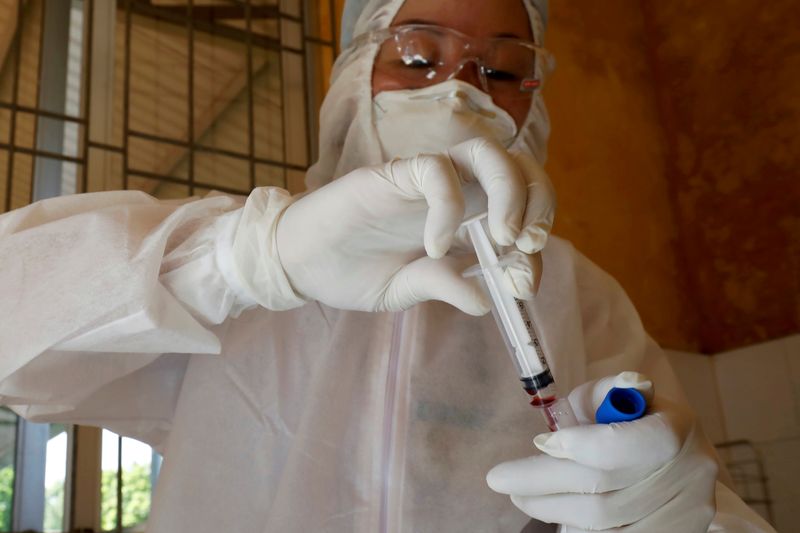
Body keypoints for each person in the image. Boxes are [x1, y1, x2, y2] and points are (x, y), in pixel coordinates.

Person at [0, 0, 776, 531]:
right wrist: (252, 259)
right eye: (416, 53)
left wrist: (674, 510)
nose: (459, 89)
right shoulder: (252, 252)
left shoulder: (577, 294)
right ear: (354, 71)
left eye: (502, 70)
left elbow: (711, 499)